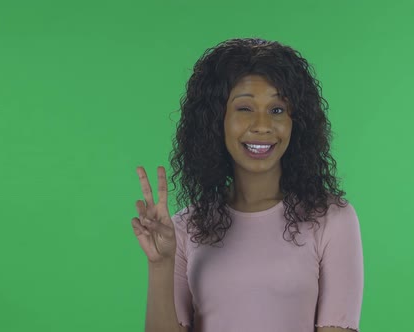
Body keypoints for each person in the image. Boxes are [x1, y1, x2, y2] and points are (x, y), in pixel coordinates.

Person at [131, 38, 364, 332]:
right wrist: (160, 264)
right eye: (245, 108)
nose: (262, 125)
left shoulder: (331, 219)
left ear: (297, 122)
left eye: (277, 109)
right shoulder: (184, 227)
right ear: (217, 121)